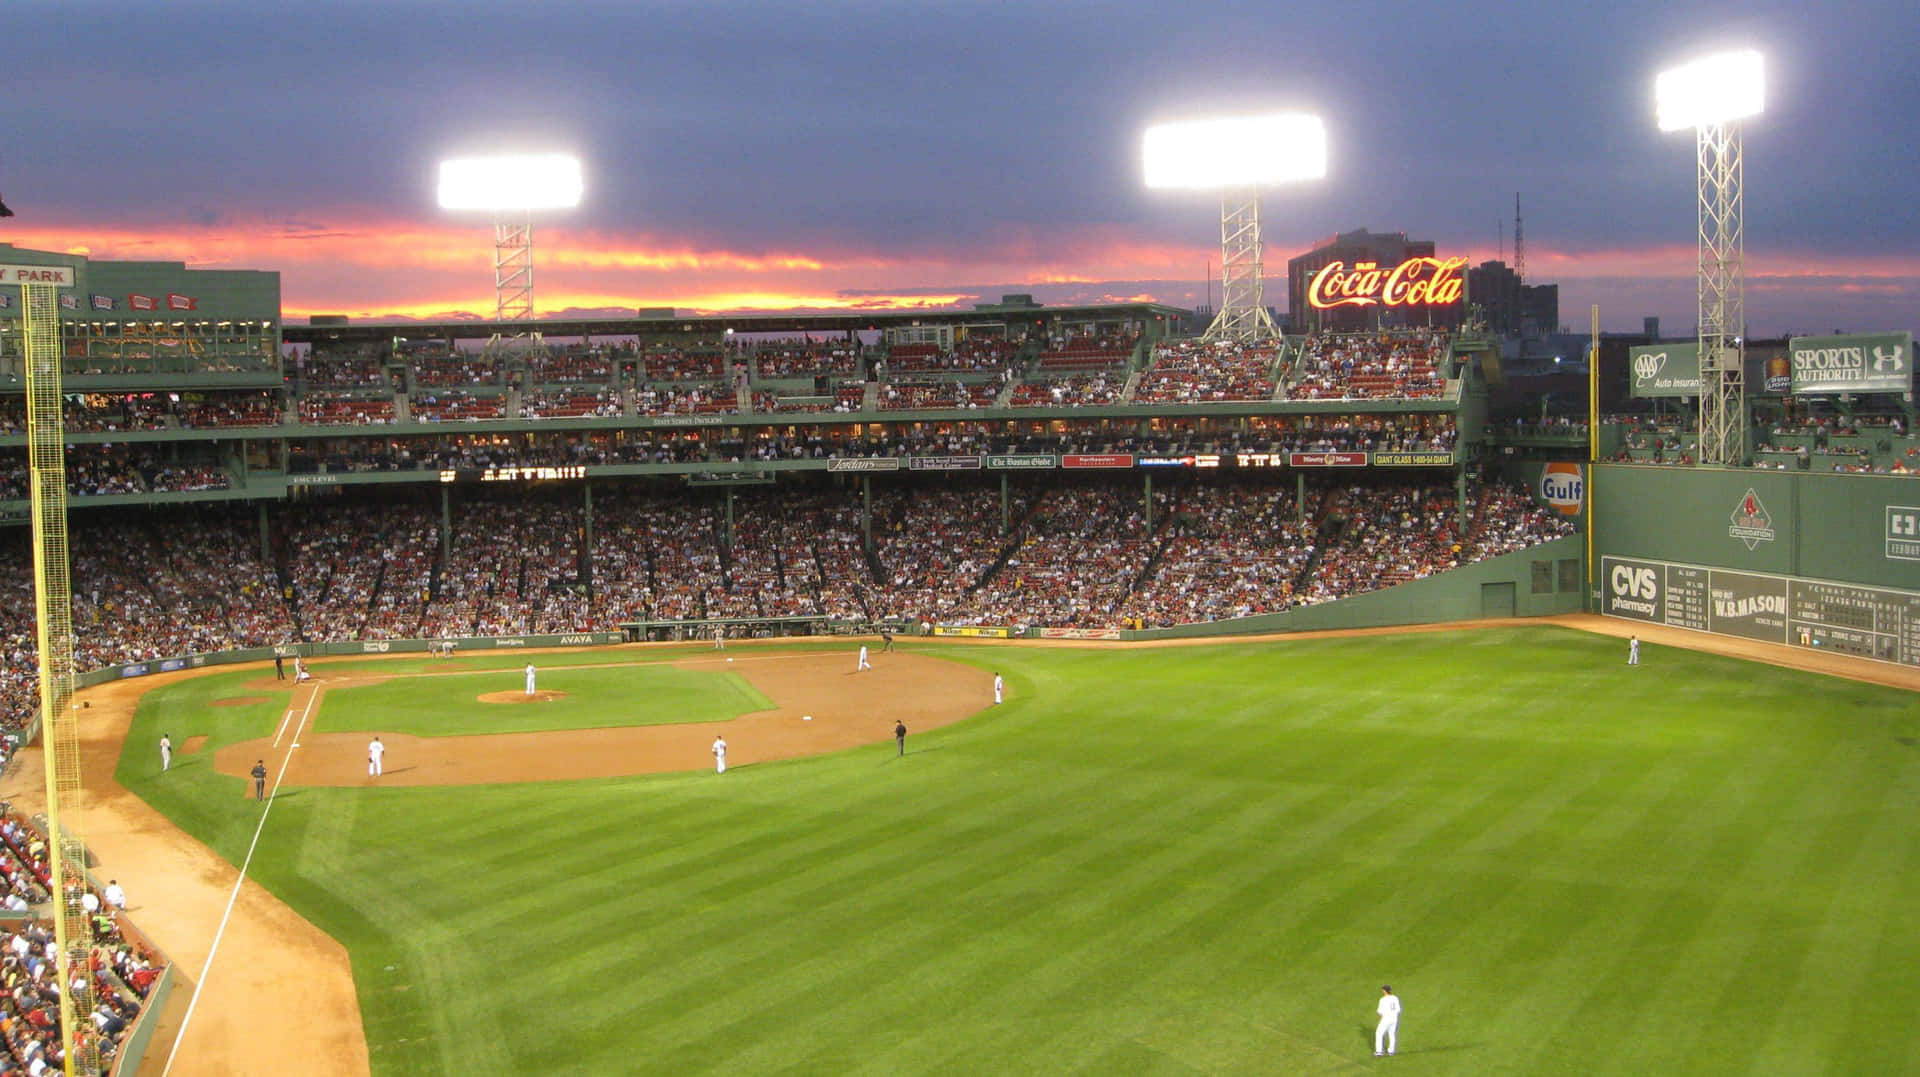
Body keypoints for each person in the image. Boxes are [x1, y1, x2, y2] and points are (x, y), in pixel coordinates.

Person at [1375, 985, 1400, 1057]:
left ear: (1384, 991)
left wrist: (1380, 1020)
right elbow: (1398, 1010)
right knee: (1392, 1034)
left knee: (1379, 1033)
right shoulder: (1395, 998)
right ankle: (1391, 1051)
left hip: (1386, 1019)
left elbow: (1380, 1012)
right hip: (1394, 1019)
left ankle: (1379, 1052)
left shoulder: (1383, 999)